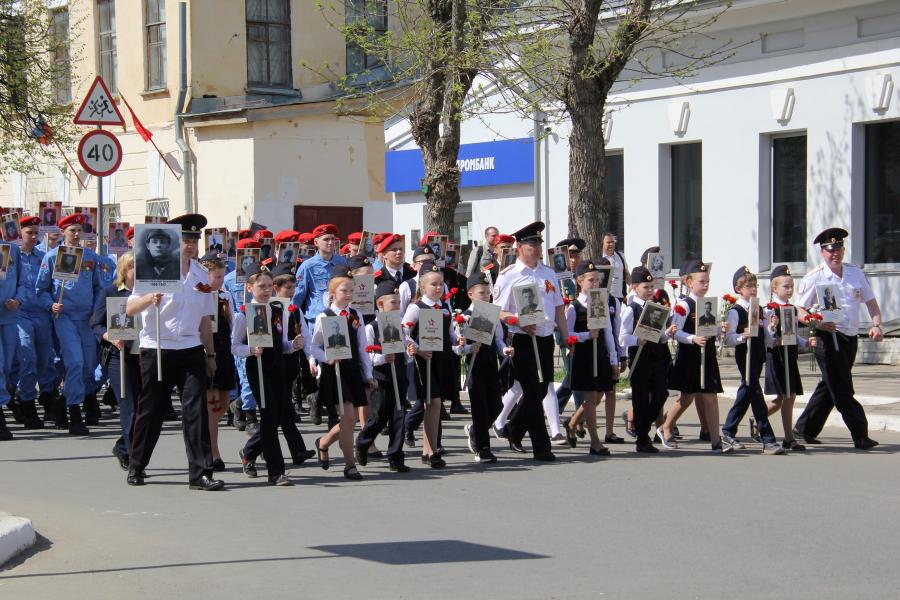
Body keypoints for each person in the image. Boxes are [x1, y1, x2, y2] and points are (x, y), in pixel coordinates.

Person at [125, 213, 223, 490]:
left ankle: (200, 473)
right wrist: (148, 298)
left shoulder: (201, 274)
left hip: (190, 347)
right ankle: (137, 465)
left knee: (196, 411)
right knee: (151, 410)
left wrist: (211, 355)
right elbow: (130, 308)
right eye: (185, 239)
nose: (190, 245)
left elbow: (206, 320)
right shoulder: (153, 267)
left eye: (194, 240)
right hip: (158, 347)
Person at [793, 228, 883, 449]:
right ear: (822, 252)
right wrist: (816, 322)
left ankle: (803, 429)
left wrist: (876, 324)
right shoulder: (816, 276)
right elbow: (799, 310)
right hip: (827, 336)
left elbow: (871, 302)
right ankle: (860, 434)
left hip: (850, 337)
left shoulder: (855, 273)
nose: (835, 254)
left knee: (830, 384)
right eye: (830, 250)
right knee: (842, 388)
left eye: (839, 249)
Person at [492, 221, 568, 461]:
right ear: (520, 247)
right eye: (532, 244)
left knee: (542, 388)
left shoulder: (548, 273)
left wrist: (566, 339)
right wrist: (518, 320)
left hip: (545, 338)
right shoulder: (509, 276)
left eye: (539, 243)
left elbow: (558, 308)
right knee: (532, 391)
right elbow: (497, 311)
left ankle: (514, 430)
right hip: (523, 338)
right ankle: (541, 446)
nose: (537, 248)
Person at [233, 264, 306, 486]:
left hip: (278, 366)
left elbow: (280, 343)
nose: (266, 291)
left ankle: (249, 451)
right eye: (261, 286)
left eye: (269, 286)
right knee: (268, 415)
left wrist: (293, 345)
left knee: (275, 416)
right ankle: (276, 471)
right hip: (258, 368)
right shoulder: (244, 314)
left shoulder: (276, 310)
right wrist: (250, 350)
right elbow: (234, 346)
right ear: (249, 287)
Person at [35, 213, 102, 435]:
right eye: (71, 230)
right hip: (64, 318)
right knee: (74, 362)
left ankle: (63, 401)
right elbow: (41, 289)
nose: (75, 234)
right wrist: (50, 305)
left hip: (86, 318)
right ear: (63, 232)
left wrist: (97, 311)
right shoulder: (52, 257)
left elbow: (98, 288)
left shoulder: (91, 257)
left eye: (78, 230)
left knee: (87, 366)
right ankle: (75, 411)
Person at [660, 259, 732, 453]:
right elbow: (676, 331)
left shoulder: (706, 303)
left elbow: (707, 328)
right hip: (690, 354)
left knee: (711, 396)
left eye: (707, 281)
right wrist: (692, 339)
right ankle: (665, 427)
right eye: (701, 281)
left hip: (706, 354)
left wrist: (719, 329)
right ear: (689, 283)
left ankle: (716, 441)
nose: (706, 284)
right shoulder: (683, 305)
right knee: (686, 397)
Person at [310, 266, 374, 481]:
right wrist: (325, 358)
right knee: (347, 417)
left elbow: (362, 346)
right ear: (333, 293)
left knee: (351, 418)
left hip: (352, 370)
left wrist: (368, 373)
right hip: (334, 372)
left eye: (351, 291)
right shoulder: (324, 316)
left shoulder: (356, 315)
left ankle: (324, 442)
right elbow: (314, 347)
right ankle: (350, 465)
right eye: (344, 290)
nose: (348, 295)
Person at [402, 260, 460, 468]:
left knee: (435, 405)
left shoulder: (445, 306)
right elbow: (404, 332)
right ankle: (432, 450)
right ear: (423, 286)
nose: (438, 288)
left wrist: (457, 341)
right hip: (424, 361)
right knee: (431, 403)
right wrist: (417, 348)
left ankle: (428, 449)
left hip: (441, 359)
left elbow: (450, 333)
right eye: (433, 284)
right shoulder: (416, 308)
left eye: (441, 284)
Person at [720, 266, 784, 454]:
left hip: (757, 356)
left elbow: (768, 339)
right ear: (739, 289)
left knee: (746, 393)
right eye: (749, 286)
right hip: (744, 356)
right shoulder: (736, 311)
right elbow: (729, 339)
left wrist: (772, 328)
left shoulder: (760, 309)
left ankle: (728, 431)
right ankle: (768, 439)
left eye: (755, 285)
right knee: (755, 395)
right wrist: (742, 336)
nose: (753, 289)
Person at [561, 260, 619, 456]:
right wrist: (586, 335)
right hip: (584, 357)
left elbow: (609, 332)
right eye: (591, 280)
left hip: (600, 354)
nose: (595, 284)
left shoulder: (600, 302)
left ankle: (572, 422)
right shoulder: (574, 308)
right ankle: (595, 442)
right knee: (591, 396)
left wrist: (613, 360)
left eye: (597, 280)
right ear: (580, 281)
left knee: (598, 395)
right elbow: (567, 335)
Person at [90, 252, 142, 469]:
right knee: (129, 405)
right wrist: (109, 336)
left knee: (142, 406)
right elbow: (96, 323)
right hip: (118, 356)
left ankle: (123, 445)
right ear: (124, 270)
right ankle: (133, 457)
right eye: (132, 267)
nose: (136, 271)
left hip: (144, 354)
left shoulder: (146, 293)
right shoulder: (110, 292)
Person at [456, 271, 512, 463]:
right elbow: (458, 347)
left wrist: (505, 350)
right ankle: (483, 448)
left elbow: (498, 340)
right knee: (479, 407)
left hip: (490, 364)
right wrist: (470, 347)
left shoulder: (490, 313)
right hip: (474, 366)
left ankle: (474, 430)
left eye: (488, 292)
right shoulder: (464, 317)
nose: (486, 295)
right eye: (481, 292)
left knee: (497, 405)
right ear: (470, 294)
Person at [355, 281, 411, 472]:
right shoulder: (372, 327)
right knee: (379, 416)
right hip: (383, 378)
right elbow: (366, 355)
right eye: (393, 303)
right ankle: (363, 442)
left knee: (399, 416)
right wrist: (382, 358)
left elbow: (407, 347)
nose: (397, 306)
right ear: (380, 305)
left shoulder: (401, 326)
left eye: (398, 303)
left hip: (400, 375)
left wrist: (411, 350)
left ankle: (395, 456)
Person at [619, 266, 675, 453]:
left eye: (652, 287)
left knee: (661, 394)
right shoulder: (630, 309)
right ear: (635, 287)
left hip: (656, 355)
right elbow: (622, 338)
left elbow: (658, 336)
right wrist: (637, 339)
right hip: (639, 357)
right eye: (646, 287)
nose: (651, 290)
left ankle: (640, 424)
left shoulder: (655, 307)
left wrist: (667, 333)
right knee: (641, 399)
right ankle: (643, 439)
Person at [760, 265, 810, 452]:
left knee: (791, 395)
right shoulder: (769, 310)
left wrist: (806, 342)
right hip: (777, 357)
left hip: (790, 355)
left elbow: (792, 334)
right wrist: (773, 328)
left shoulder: (792, 309)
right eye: (786, 287)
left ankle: (789, 438)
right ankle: (759, 418)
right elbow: (768, 337)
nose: (790, 290)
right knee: (780, 397)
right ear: (774, 288)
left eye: (791, 286)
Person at [13, 216, 56, 430]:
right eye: (29, 232)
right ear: (19, 233)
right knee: (27, 356)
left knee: (44, 359)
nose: (33, 236)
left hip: (41, 312)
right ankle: (28, 403)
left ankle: (35, 395)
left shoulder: (43, 257)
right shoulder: (12, 255)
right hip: (20, 313)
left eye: (35, 232)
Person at [199, 252, 234, 472]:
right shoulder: (198, 295)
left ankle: (203, 433)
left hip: (223, 349)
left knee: (224, 400)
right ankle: (213, 451)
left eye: (222, 276)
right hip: (203, 350)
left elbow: (230, 323)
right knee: (211, 405)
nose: (220, 281)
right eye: (217, 276)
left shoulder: (224, 296)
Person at [293, 224, 349, 328]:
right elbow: (297, 297)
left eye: (333, 239)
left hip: (340, 318)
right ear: (316, 242)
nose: (331, 242)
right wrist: (295, 323)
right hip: (317, 321)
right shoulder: (308, 266)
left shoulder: (342, 262)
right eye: (326, 239)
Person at [600, 232, 629, 299]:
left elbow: (626, 274)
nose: (611, 244)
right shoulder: (599, 258)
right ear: (603, 243)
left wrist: (632, 287)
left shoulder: (621, 255)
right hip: (604, 297)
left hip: (619, 296)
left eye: (613, 242)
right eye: (608, 242)